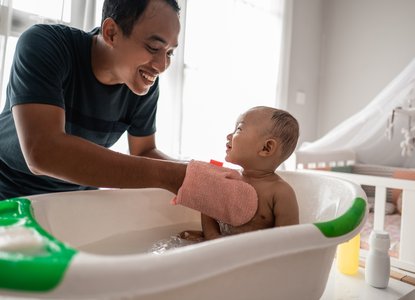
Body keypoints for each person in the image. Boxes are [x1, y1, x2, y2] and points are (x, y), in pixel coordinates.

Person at [0, 0, 187, 200]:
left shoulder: (142, 84)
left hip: (78, 199)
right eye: (153, 47)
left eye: (169, 53)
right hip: (10, 192)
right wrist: (170, 176)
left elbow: (144, 151)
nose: (161, 65)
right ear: (111, 33)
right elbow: (43, 152)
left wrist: (195, 171)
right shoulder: (45, 45)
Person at [180, 106, 300, 241]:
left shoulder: (280, 192)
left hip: (257, 254)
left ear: (266, 147)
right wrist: (212, 236)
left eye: (238, 129)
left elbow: (287, 241)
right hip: (225, 244)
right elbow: (208, 208)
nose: (228, 136)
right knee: (182, 238)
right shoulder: (228, 178)